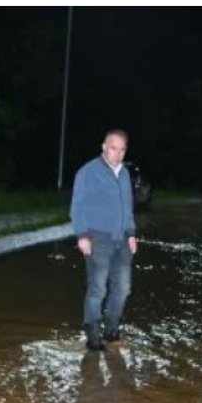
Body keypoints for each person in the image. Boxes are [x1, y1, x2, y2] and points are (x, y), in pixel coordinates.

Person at [70, 129, 138, 351]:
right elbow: (77, 207)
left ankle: (111, 329)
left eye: (122, 149)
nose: (117, 153)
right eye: (113, 148)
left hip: (122, 240)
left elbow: (127, 207)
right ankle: (92, 335)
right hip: (97, 237)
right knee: (98, 288)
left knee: (124, 288)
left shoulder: (125, 174)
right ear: (103, 147)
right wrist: (82, 236)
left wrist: (131, 233)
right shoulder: (87, 172)